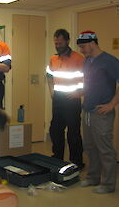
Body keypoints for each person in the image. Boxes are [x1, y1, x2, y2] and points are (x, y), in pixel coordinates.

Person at [77, 30, 119, 194]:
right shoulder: (88, 61)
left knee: (105, 149)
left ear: (93, 43)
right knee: (90, 146)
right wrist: (80, 93)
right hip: (87, 110)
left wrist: (111, 104)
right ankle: (93, 177)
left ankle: (108, 184)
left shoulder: (110, 61)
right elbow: (89, 82)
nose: (82, 50)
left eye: (83, 46)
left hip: (102, 112)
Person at [46, 29, 84, 168]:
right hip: (58, 99)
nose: (57, 45)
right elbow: (49, 76)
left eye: (60, 43)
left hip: (72, 100)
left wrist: (79, 93)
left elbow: (87, 80)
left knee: (73, 133)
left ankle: (76, 162)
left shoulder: (79, 58)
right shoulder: (53, 58)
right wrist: (52, 92)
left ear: (67, 41)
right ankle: (57, 158)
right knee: (56, 130)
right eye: (56, 43)